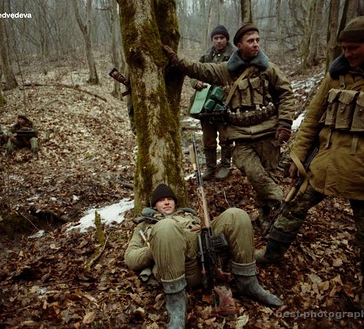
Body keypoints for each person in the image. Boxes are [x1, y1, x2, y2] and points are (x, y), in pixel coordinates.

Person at [254, 16, 364, 313]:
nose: (347, 54)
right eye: (344, 48)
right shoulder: (337, 74)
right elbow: (312, 119)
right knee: (293, 206)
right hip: (326, 162)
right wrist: (297, 157)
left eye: (354, 48)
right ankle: (271, 253)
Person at [163, 23, 296, 225]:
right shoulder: (226, 71)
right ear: (239, 45)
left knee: (268, 176)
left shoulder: (268, 68)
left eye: (258, 40)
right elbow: (200, 69)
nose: (256, 45)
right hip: (241, 137)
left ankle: (266, 216)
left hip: (269, 134)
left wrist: (285, 122)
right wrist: (175, 60)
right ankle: (284, 206)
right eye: (250, 41)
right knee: (255, 173)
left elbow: (286, 93)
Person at [124, 183, 283, 328]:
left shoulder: (189, 216)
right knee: (166, 227)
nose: (166, 202)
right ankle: (176, 304)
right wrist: (151, 252)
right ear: (154, 206)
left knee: (237, 215)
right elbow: (130, 257)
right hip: (180, 269)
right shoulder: (145, 225)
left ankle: (247, 282)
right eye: (161, 200)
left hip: (207, 260)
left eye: (169, 199)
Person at [191, 25, 237, 180]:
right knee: (208, 138)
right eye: (216, 38)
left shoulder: (234, 55)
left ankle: (225, 166)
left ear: (226, 39)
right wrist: (195, 83)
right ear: (212, 40)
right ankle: (210, 167)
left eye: (221, 38)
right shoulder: (206, 56)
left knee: (225, 136)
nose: (219, 41)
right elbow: (194, 72)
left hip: (225, 101)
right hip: (206, 102)